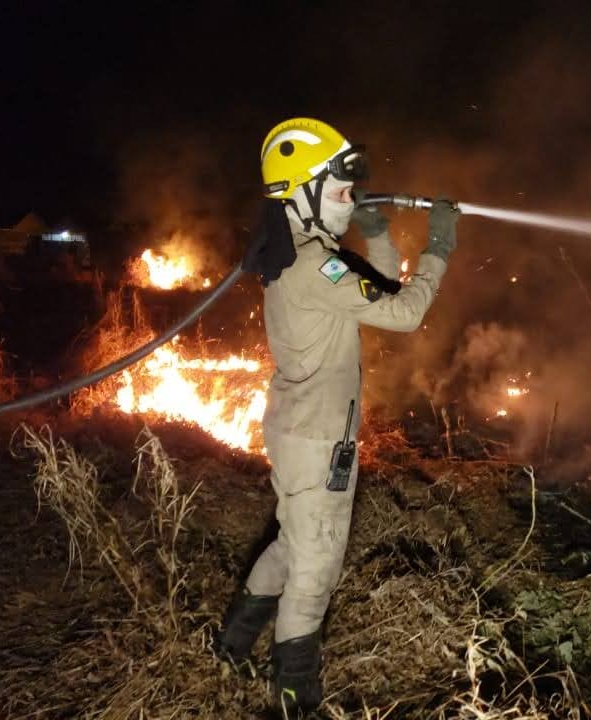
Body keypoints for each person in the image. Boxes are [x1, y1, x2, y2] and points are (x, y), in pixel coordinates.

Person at [214, 117, 459, 714]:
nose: (353, 201)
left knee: (293, 542)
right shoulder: (314, 266)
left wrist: (376, 233)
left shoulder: (305, 254)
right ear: (300, 191)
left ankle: (229, 647)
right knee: (315, 572)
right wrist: (440, 250)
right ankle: (295, 699)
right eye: (343, 191)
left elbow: (377, 284)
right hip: (319, 440)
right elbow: (404, 312)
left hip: (301, 430)